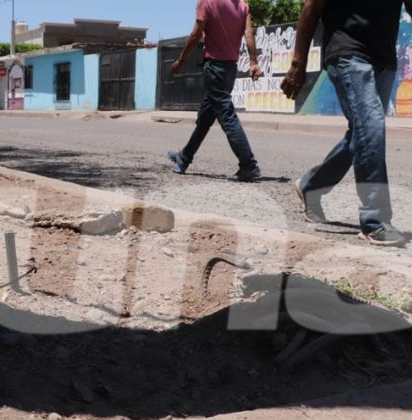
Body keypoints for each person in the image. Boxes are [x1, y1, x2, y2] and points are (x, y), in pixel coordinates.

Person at [282, 0, 411, 246]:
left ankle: (311, 185)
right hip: (347, 51)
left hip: (383, 59)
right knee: (370, 126)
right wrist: (298, 65)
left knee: (361, 134)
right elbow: (312, 9)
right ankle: (375, 219)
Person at [167, 0, 263, 182]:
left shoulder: (208, 2)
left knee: (227, 116)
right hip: (230, 69)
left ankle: (249, 165)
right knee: (205, 118)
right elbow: (248, 33)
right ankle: (183, 158)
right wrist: (253, 62)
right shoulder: (242, 5)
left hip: (215, 68)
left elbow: (196, 34)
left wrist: (180, 61)